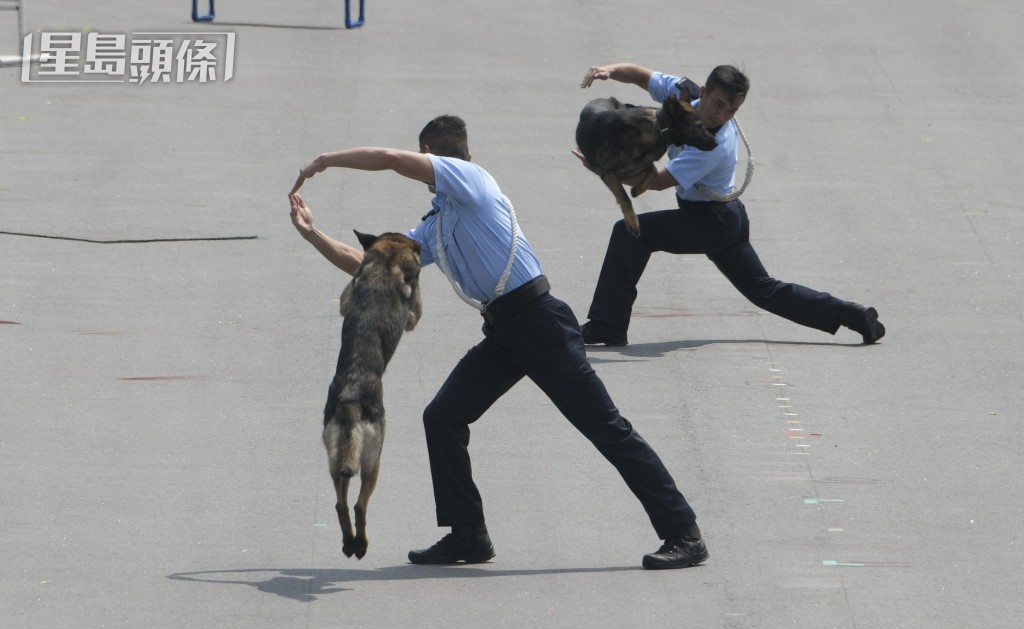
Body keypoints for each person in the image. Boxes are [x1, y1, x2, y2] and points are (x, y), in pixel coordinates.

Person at [288, 115, 708, 569]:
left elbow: (391, 160)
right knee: (443, 417)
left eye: (428, 159)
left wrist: (326, 160)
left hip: (541, 323)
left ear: (438, 158)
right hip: (506, 330)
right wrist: (313, 233)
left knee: (607, 429)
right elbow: (371, 267)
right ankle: (468, 534)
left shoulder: (472, 181)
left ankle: (683, 532)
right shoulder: (436, 224)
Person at [574, 63, 886, 347]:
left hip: (710, 222)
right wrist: (609, 71)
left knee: (630, 233)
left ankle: (607, 325)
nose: (720, 114)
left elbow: (654, 182)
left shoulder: (712, 147)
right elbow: (643, 77)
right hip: (728, 217)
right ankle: (852, 315)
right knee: (765, 290)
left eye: (731, 110)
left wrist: (601, 165)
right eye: (718, 104)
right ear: (703, 92)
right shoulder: (682, 95)